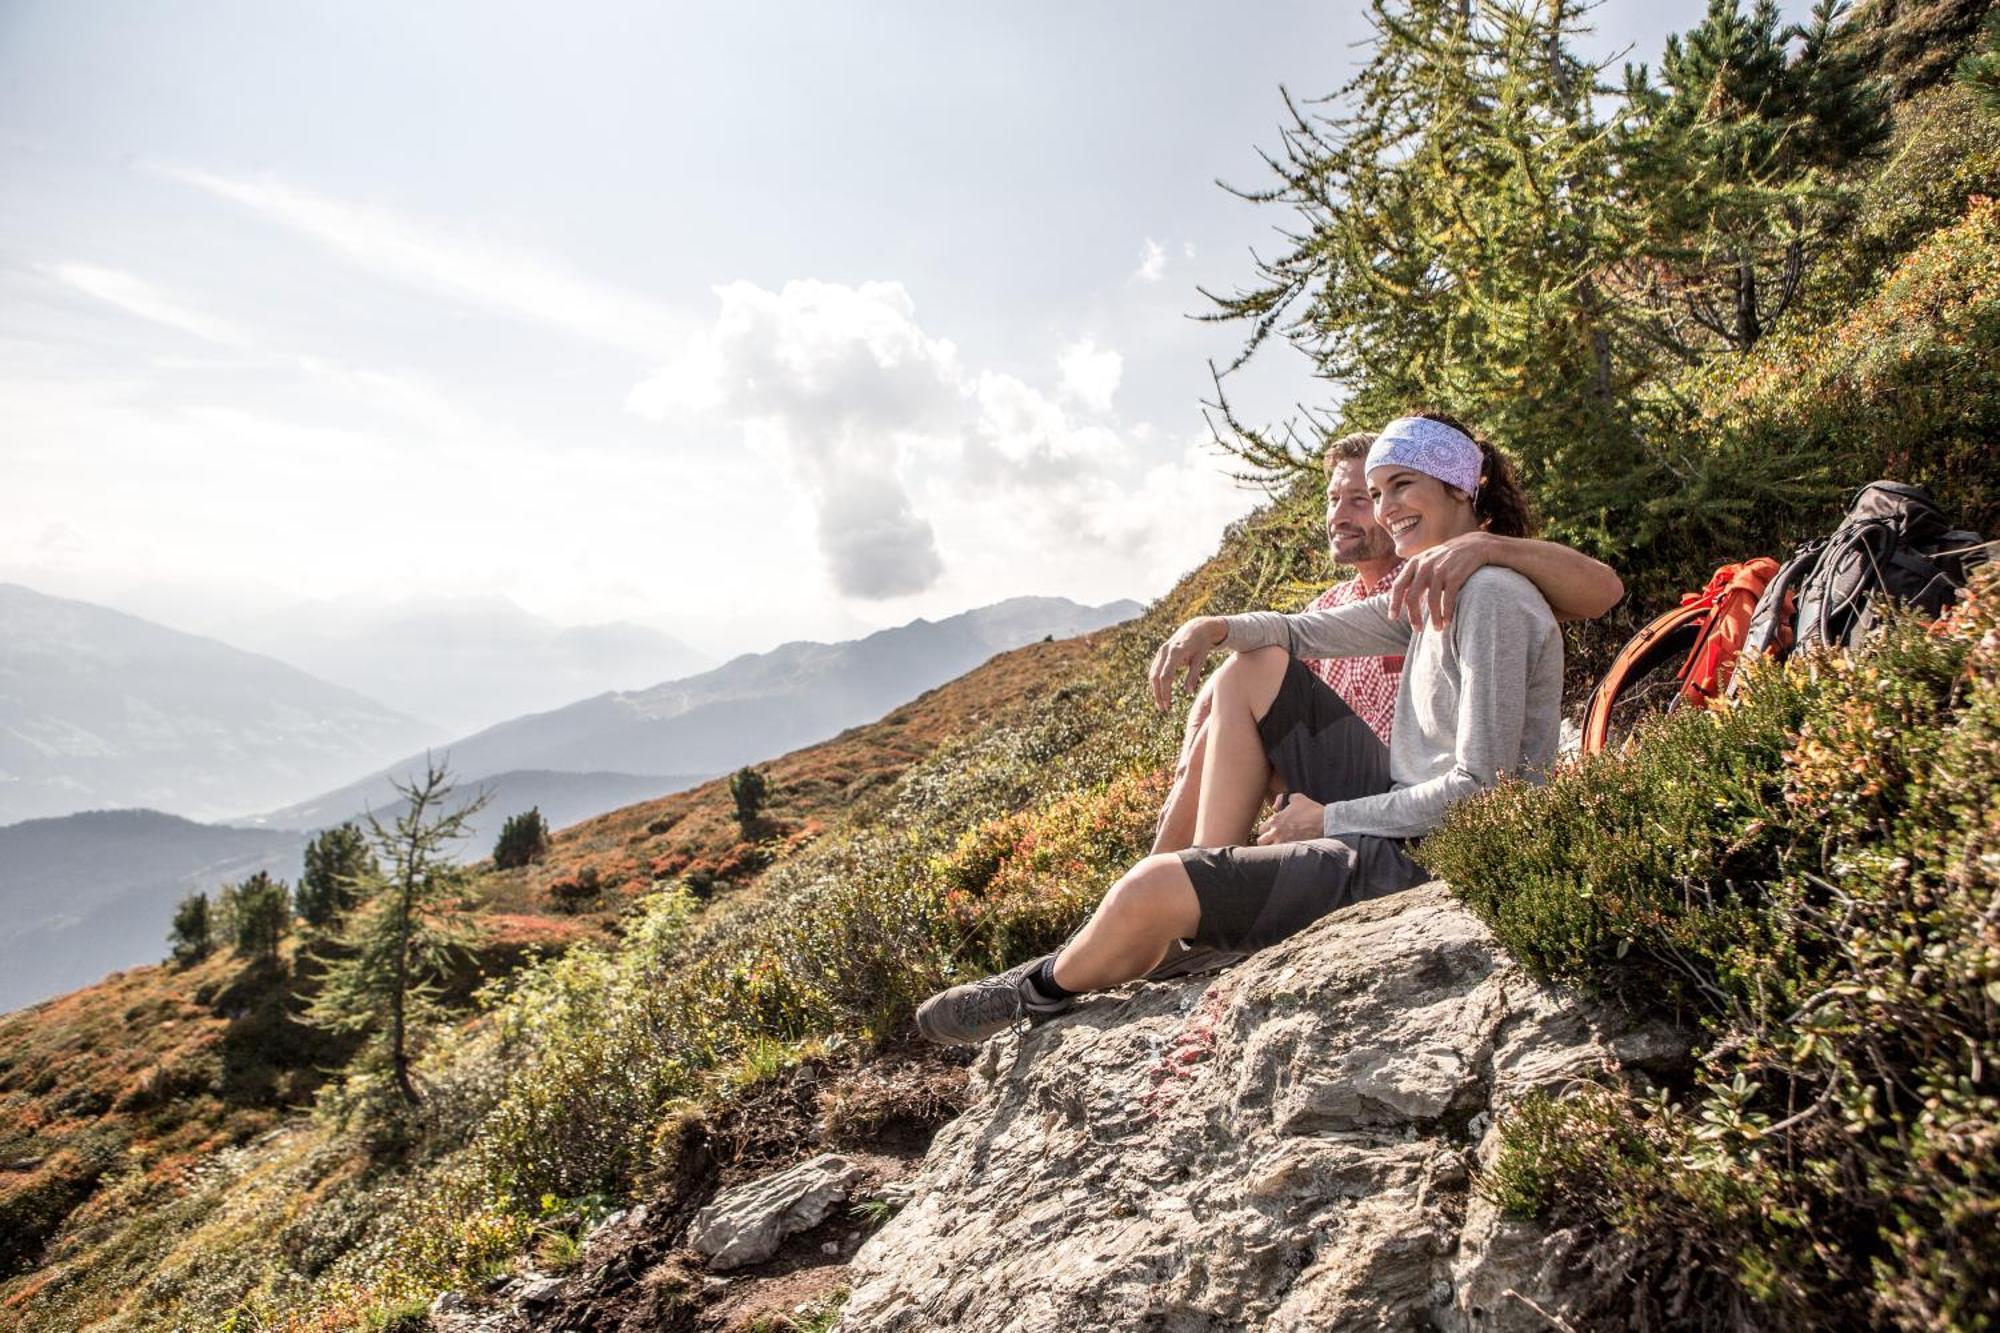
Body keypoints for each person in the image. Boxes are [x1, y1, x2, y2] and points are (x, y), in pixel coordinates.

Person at [918, 411, 1566, 1045]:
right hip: (1398, 811)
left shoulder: (1492, 599)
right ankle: (1192, 900)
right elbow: (1301, 632)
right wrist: (1216, 628)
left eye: (1400, 487)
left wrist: (1326, 820)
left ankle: (1039, 986)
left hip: (1426, 856)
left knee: (1149, 890)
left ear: (1460, 486)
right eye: (1376, 492)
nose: (1385, 506)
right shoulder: (1431, 593)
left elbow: (1479, 793)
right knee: (1249, 668)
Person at [1151, 429, 1620, 856]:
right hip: (1365, 789)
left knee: (1250, 673)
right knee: (1238, 679)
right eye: (1352, 497)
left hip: (1416, 799)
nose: (1347, 513)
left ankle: (1198, 883)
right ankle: (1189, 877)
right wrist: (1212, 631)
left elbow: (1604, 591)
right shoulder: (1346, 602)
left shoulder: (1457, 579)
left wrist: (1486, 545)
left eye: (1362, 498)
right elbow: (1276, 654)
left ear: (1455, 489)